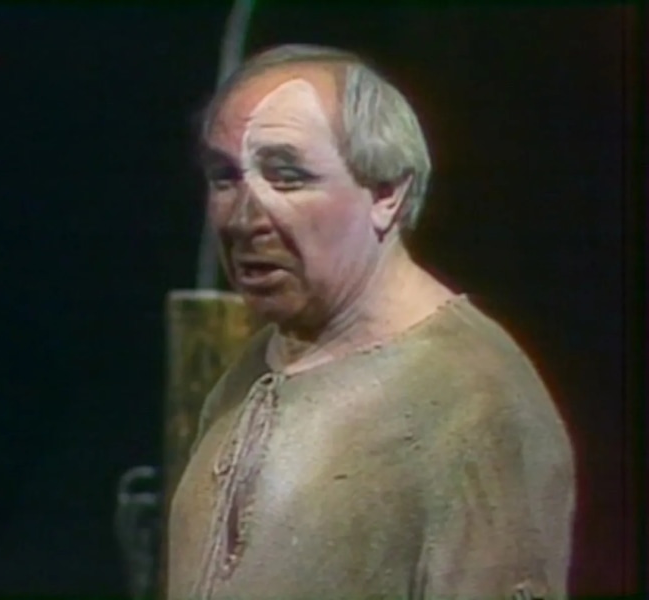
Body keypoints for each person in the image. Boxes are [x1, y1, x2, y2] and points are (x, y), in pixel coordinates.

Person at [167, 44, 575, 600]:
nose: (243, 218)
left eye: (287, 177)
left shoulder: (477, 403)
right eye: (225, 177)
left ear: (386, 192)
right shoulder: (251, 370)